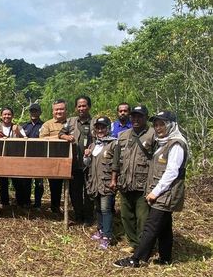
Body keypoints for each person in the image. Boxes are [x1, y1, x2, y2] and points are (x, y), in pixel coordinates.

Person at [114, 111, 188, 267]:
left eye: (162, 124)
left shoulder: (176, 144)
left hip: (167, 192)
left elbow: (172, 172)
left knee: (151, 226)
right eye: (156, 124)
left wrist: (155, 192)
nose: (158, 128)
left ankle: (137, 259)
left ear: (171, 125)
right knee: (165, 226)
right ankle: (165, 258)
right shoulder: (164, 142)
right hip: (163, 191)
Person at [111, 105, 154, 253]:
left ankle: (144, 246)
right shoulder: (123, 135)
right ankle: (133, 243)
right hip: (125, 182)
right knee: (126, 215)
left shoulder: (153, 135)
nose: (136, 119)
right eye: (133, 116)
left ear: (146, 118)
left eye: (139, 116)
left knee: (143, 217)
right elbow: (116, 160)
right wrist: (114, 179)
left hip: (143, 184)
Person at [59, 95, 95, 225]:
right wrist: (65, 136)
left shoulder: (95, 122)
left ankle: (89, 217)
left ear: (89, 107)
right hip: (74, 164)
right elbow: (60, 134)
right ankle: (78, 215)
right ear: (75, 108)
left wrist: (91, 148)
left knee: (89, 192)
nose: (81, 108)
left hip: (90, 165)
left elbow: (101, 139)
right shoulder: (70, 121)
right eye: (79, 106)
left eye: (84, 105)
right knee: (75, 192)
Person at [83, 116, 117, 250]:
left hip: (107, 182)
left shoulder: (114, 144)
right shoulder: (93, 144)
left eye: (103, 127)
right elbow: (87, 163)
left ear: (108, 128)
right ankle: (101, 230)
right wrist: (86, 156)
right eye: (98, 127)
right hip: (95, 182)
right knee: (98, 208)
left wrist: (114, 180)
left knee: (106, 209)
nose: (100, 130)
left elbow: (116, 165)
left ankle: (107, 236)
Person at [0, 107, 27, 206]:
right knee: (3, 182)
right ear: (1, 116)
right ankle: (5, 204)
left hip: (16, 160)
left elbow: (26, 141)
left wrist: (18, 133)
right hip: (1, 160)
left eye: (9, 114)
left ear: (12, 116)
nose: (7, 116)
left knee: (18, 182)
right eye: (5, 114)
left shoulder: (18, 127)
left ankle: (20, 204)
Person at [37, 99, 67, 212]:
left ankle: (74, 208)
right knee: (55, 186)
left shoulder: (72, 122)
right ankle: (55, 208)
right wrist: (61, 137)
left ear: (66, 110)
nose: (59, 111)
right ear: (53, 111)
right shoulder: (47, 125)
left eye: (61, 109)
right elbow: (42, 139)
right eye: (56, 109)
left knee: (74, 188)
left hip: (72, 158)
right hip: (54, 159)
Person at [21, 103, 44, 208]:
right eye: (32, 111)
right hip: (26, 158)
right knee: (26, 181)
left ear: (40, 112)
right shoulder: (25, 126)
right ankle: (26, 202)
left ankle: (38, 204)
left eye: (36, 111)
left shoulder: (44, 126)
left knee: (39, 183)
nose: (34, 113)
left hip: (39, 158)